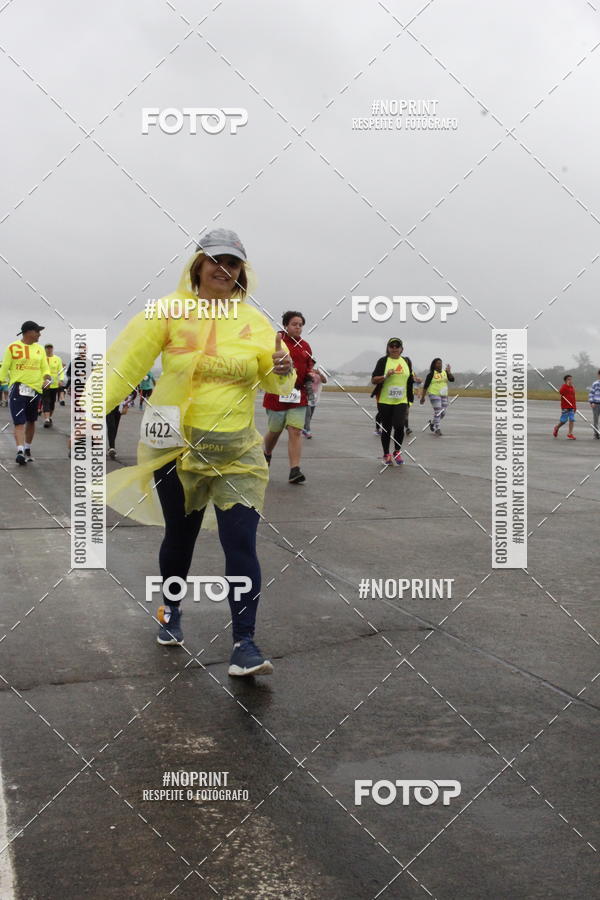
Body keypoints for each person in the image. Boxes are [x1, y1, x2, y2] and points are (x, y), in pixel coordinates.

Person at [100, 229, 294, 676]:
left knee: (241, 543)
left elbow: (274, 381)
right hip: (176, 446)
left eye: (234, 262)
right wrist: (92, 412)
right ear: (199, 266)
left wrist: (282, 370)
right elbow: (125, 361)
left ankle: (244, 644)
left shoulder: (255, 322)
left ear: (242, 271)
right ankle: (171, 607)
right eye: (216, 260)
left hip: (238, 452)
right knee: (179, 539)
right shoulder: (167, 311)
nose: (224, 269)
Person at [263, 311, 314, 483]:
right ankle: (267, 453)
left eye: (300, 324)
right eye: (294, 324)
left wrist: (310, 375)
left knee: (295, 430)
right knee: (275, 430)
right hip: (277, 394)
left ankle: (295, 470)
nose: (298, 327)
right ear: (285, 325)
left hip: (298, 395)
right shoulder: (277, 341)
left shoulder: (305, 346)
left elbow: (309, 366)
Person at [0, 321, 52, 464]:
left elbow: (45, 368)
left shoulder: (40, 349)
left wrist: (47, 378)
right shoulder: (13, 347)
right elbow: (5, 368)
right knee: (19, 421)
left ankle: (27, 448)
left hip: (35, 390)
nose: (39, 334)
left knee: (31, 420)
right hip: (18, 389)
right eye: (37, 331)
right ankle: (20, 451)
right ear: (28, 332)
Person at [371, 337, 414, 465]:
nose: (394, 348)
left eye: (397, 346)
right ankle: (386, 454)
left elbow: (409, 382)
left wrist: (409, 401)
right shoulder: (383, 361)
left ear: (402, 349)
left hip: (401, 401)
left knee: (400, 426)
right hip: (385, 401)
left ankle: (397, 452)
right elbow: (374, 380)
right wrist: (386, 376)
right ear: (388, 348)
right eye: (392, 346)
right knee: (387, 428)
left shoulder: (406, 361)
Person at [420, 358, 454, 435]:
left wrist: (449, 372)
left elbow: (452, 379)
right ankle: (437, 428)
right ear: (434, 365)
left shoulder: (445, 373)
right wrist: (423, 397)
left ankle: (432, 423)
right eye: (438, 363)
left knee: (443, 413)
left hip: (444, 395)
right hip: (434, 394)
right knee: (438, 411)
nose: (440, 365)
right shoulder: (431, 374)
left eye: (441, 363)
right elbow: (425, 386)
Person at [106, 391, 136, 459]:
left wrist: (127, 405)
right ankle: (112, 448)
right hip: (109, 404)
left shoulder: (130, 384)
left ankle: (111, 447)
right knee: (111, 426)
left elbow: (134, 394)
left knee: (115, 428)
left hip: (119, 407)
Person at [42, 343, 64, 427]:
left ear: (52, 349)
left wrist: (61, 380)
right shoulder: (42, 358)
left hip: (54, 384)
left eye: (50, 348)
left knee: (52, 402)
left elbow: (60, 370)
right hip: (45, 384)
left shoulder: (57, 359)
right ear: (45, 349)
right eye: (47, 348)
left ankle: (50, 417)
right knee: (46, 401)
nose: (49, 349)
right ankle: (46, 419)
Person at [302, 367, 327, 438]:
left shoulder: (319, 371)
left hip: (314, 398)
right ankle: (308, 431)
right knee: (308, 413)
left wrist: (319, 373)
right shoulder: (305, 370)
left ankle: (304, 428)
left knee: (310, 415)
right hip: (306, 396)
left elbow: (324, 381)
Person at [553, 374, 577, 439]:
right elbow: (560, 392)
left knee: (572, 419)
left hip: (571, 406)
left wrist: (575, 406)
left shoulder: (572, 387)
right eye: (569, 379)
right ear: (566, 380)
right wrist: (566, 385)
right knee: (564, 420)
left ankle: (570, 433)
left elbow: (573, 397)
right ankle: (556, 427)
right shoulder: (564, 387)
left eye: (571, 379)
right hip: (565, 406)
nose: (570, 381)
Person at [588, 369, 600, 439]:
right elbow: (591, 393)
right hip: (596, 404)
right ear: (598, 375)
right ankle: (596, 434)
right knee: (595, 420)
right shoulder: (595, 384)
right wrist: (591, 402)